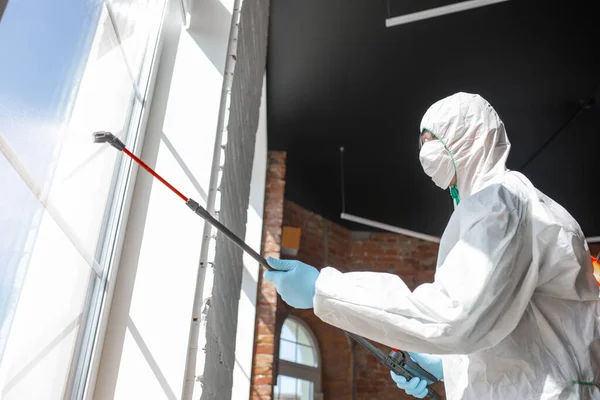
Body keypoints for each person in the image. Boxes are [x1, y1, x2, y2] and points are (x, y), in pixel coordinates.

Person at [264, 92, 600, 399]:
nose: (425, 149)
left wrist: (322, 289)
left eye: (435, 137)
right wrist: (448, 365)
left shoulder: (500, 203)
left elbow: (455, 317)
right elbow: (505, 325)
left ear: (473, 138)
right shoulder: (504, 203)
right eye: (422, 139)